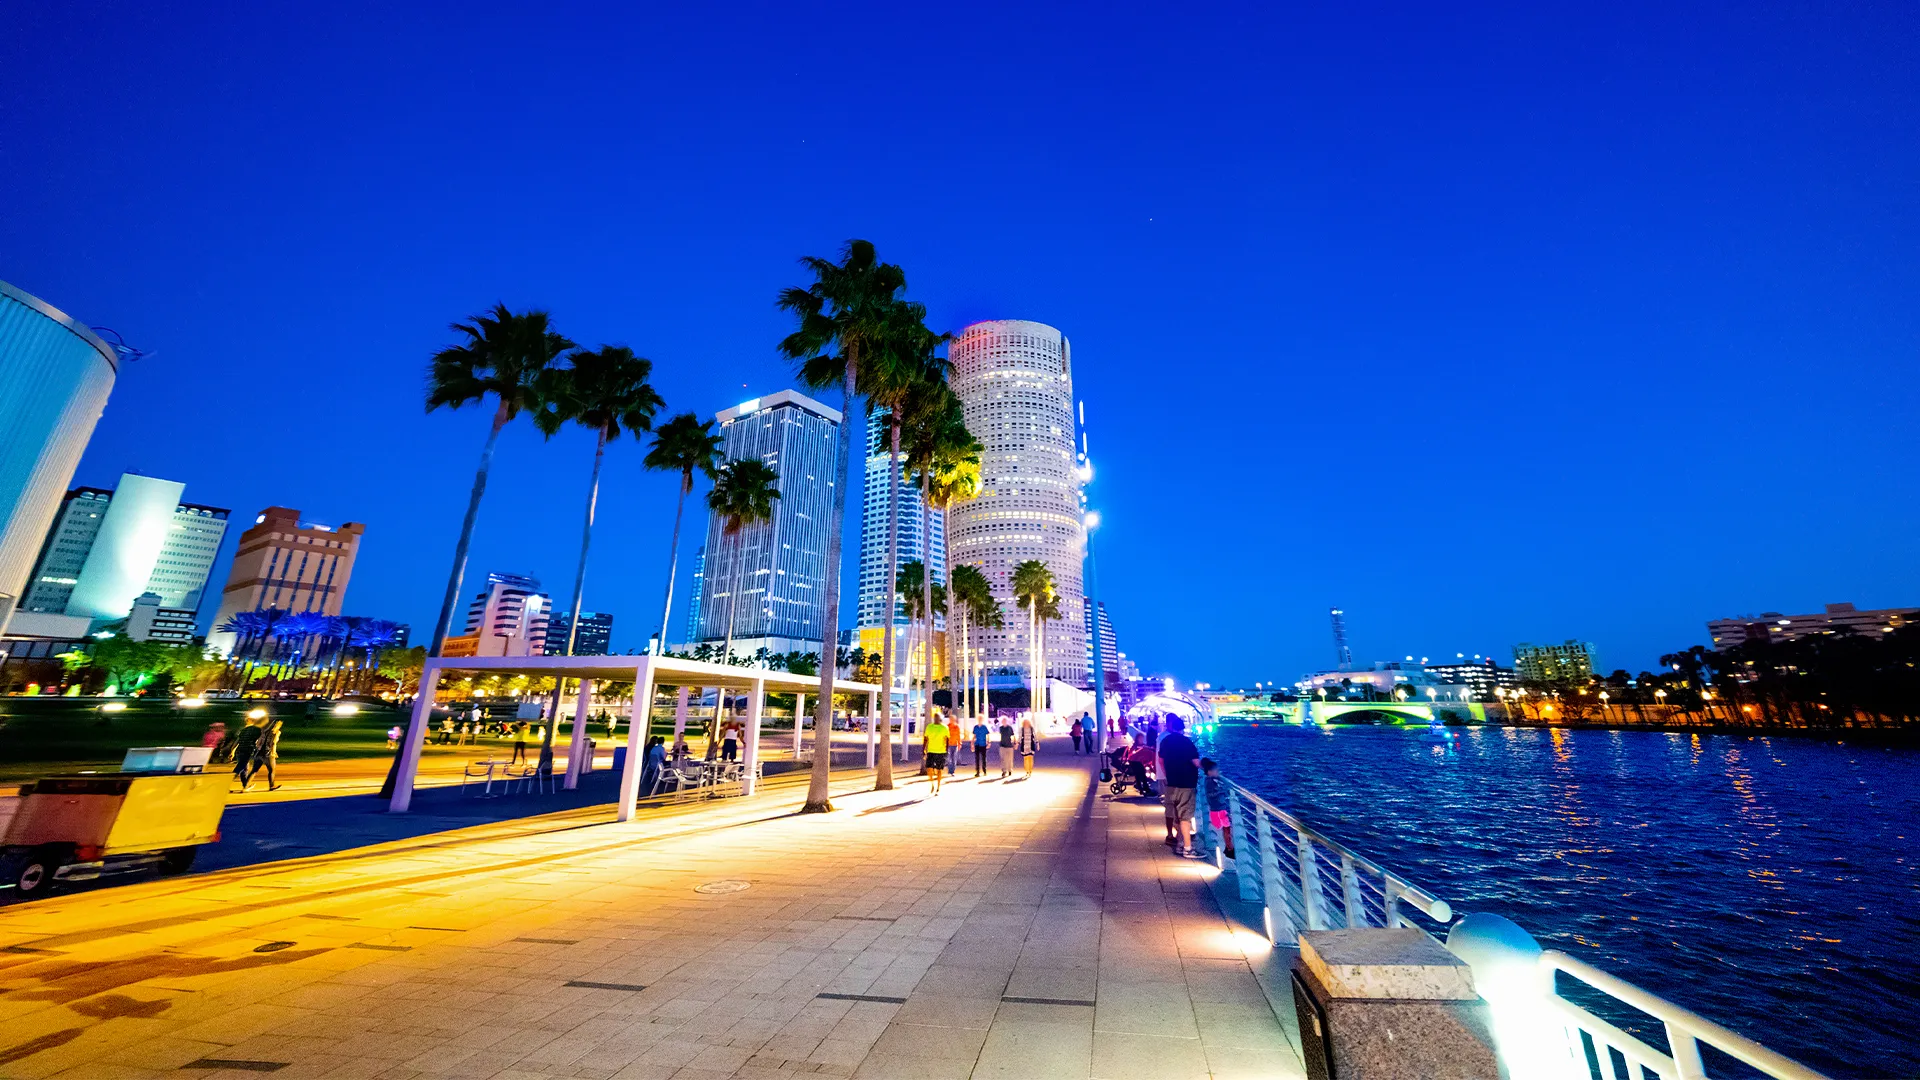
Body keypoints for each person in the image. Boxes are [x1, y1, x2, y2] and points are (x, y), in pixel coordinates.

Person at [1157, 716, 1201, 857]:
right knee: (1185, 817)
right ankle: (1188, 849)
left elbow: (1161, 760)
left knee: (1175, 814)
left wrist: (1167, 775)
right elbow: (1195, 762)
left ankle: (1180, 843)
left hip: (1172, 783)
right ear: (1182, 728)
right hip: (1186, 783)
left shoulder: (1165, 741)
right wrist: (1208, 767)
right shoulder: (1187, 742)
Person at [1201, 758, 1235, 859]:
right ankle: (1229, 849)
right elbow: (1210, 794)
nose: (1218, 772)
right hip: (1218, 809)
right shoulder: (1209, 782)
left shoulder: (1210, 779)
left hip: (1218, 808)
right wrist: (1221, 791)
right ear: (1210, 772)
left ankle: (1228, 848)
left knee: (1226, 829)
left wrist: (1219, 778)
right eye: (1216, 770)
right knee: (1226, 829)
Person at [244, 717, 282, 792]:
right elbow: (273, 743)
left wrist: (257, 750)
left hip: (259, 753)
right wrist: (273, 752)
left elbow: (258, 742)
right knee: (271, 770)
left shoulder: (264, 731)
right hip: (268, 754)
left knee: (254, 770)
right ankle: (272, 786)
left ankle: (245, 786)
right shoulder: (276, 732)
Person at [922, 709, 949, 794]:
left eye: (938, 718)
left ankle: (938, 786)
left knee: (939, 770)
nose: (936, 719)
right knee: (929, 769)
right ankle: (932, 784)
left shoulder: (945, 727)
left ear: (940, 719)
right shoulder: (929, 727)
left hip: (941, 751)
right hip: (931, 751)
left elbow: (947, 739)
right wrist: (923, 749)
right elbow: (926, 739)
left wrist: (946, 750)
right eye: (935, 718)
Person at [232, 718, 264, 787]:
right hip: (247, 750)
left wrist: (232, 750)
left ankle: (245, 785)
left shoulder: (244, 730)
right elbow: (259, 740)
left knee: (244, 768)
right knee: (240, 767)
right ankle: (226, 782)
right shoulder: (257, 730)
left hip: (239, 750)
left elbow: (238, 740)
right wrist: (258, 749)